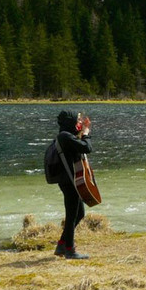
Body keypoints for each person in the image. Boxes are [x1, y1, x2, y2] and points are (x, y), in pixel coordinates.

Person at [54, 110, 93, 259]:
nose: (79, 123)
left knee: (79, 214)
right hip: (69, 181)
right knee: (71, 215)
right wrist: (86, 133)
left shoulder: (66, 135)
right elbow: (87, 147)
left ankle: (62, 244)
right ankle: (70, 250)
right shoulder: (65, 136)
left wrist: (82, 131)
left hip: (70, 180)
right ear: (70, 122)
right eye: (77, 121)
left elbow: (79, 145)